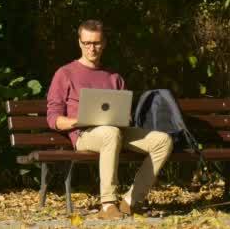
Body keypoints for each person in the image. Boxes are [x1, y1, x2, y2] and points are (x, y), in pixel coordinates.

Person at [46, 19, 173, 219]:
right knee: (110, 133)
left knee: (163, 140)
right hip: (84, 134)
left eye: (96, 43)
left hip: (116, 131)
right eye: (87, 43)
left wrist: (124, 119)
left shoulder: (114, 77)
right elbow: (53, 118)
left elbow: (125, 115)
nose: (92, 48)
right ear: (79, 42)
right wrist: (77, 120)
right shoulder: (65, 73)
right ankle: (107, 204)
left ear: (104, 43)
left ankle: (131, 201)